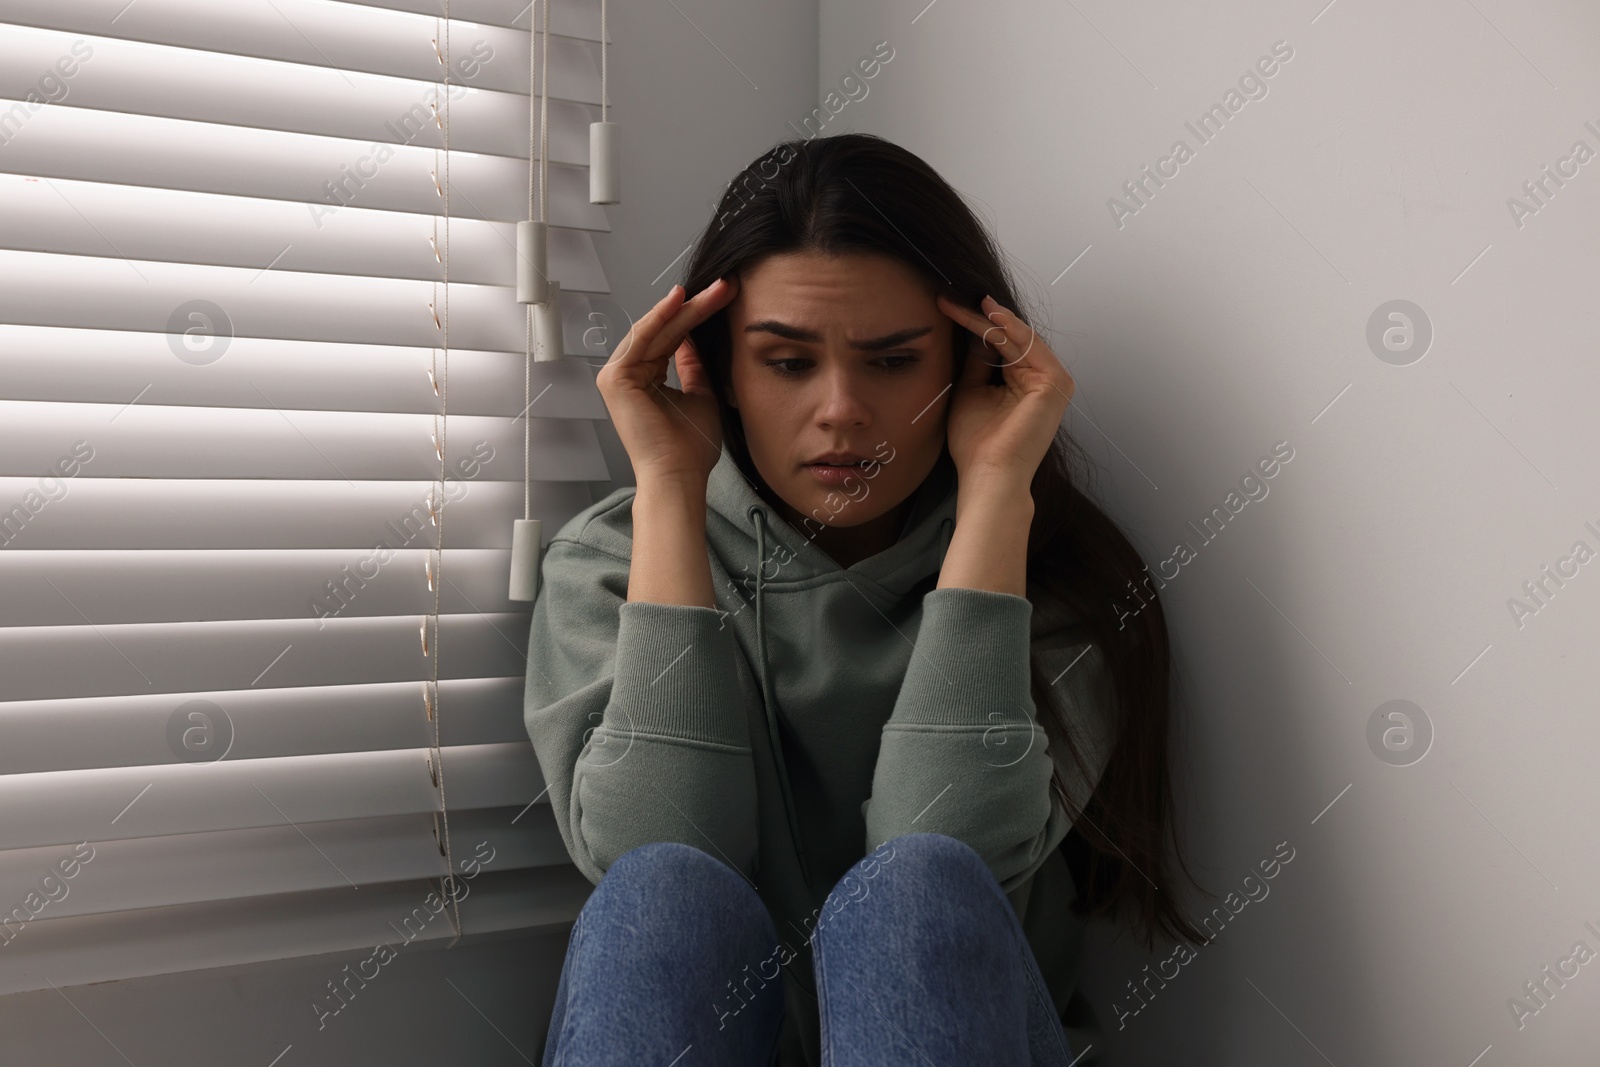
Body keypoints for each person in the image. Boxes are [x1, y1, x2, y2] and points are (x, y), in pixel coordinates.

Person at [523, 132, 1206, 1066]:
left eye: (891, 361)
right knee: (662, 892)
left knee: (919, 885)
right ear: (720, 367)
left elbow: (953, 865)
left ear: (966, 370)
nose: (842, 409)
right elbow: (653, 853)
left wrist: (1001, 487)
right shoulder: (608, 560)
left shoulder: (1058, 585)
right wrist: (670, 493)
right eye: (788, 362)